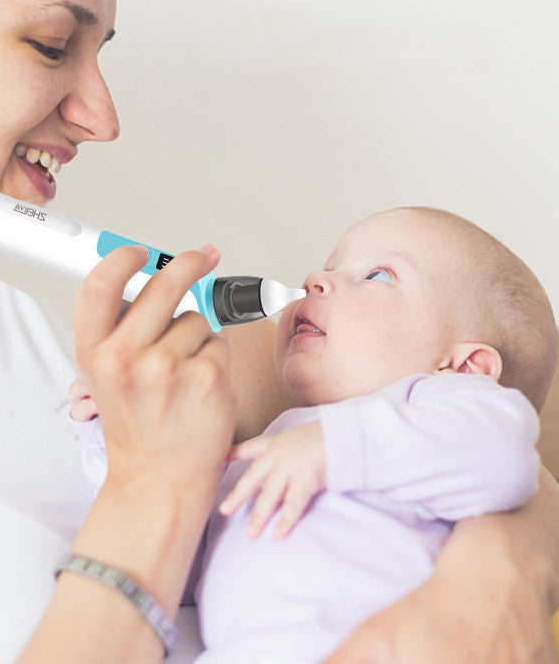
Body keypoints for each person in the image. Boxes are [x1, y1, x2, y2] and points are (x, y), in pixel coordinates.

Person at [0, 0, 557, 663]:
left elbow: (490, 433)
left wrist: (495, 574)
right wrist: (151, 487)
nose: (102, 118)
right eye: (50, 45)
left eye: (98, 55)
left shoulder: (142, 357)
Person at [70, 206, 556, 663]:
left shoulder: (438, 407)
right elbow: (178, 561)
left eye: (377, 275)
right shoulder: (274, 441)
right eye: (328, 266)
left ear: (466, 367)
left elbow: (504, 456)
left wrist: (334, 446)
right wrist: (117, 430)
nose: (314, 281)